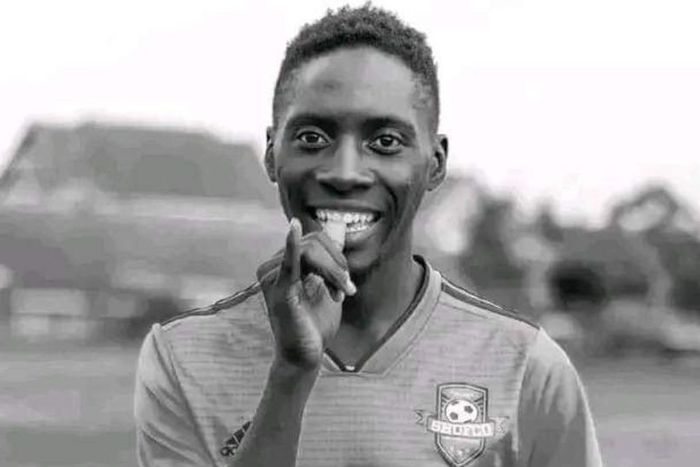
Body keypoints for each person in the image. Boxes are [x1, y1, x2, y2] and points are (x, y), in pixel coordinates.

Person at [134, 5, 603, 467]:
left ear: (435, 163)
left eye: (385, 142)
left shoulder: (527, 369)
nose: (345, 173)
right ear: (273, 153)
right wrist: (291, 374)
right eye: (313, 137)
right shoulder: (183, 358)